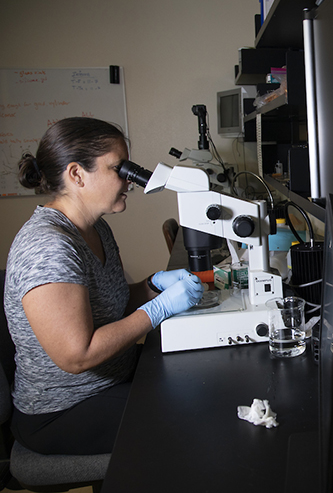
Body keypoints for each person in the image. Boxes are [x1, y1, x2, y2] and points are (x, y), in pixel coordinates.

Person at [3, 117, 205, 455]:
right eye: (119, 169)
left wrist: (153, 286)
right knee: (198, 415)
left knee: (201, 372)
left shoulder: (96, 229)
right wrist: (158, 310)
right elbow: (77, 356)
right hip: (63, 409)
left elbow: (113, 306)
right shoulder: (48, 245)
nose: (130, 180)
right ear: (77, 174)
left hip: (112, 377)